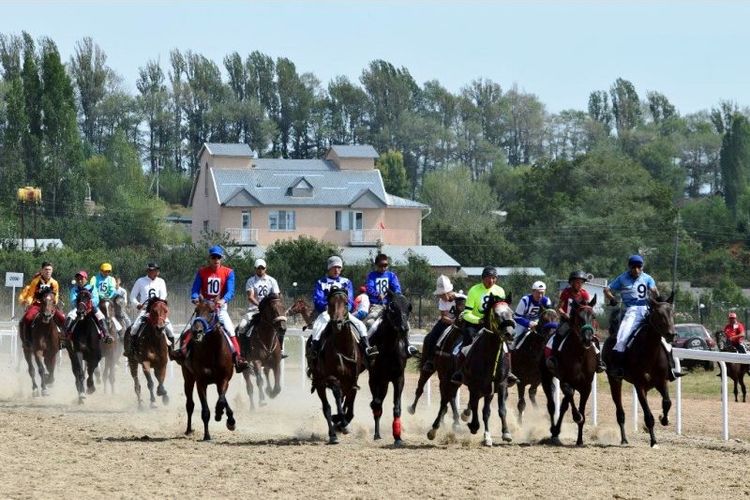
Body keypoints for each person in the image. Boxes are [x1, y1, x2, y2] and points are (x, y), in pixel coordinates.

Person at [604, 254, 682, 380]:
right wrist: (612, 298)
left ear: (642, 267)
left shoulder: (648, 278)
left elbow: (654, 291)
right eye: (633, 267)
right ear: (629, 267)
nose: (636, 270)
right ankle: (618, 367)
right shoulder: (622, 278)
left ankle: (670, 369)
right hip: (631, 312)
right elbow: (606, 289)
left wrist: (659, 299)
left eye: (639, 267)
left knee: (663, 337)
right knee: (622, 338)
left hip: (647, 310)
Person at [173, 245, 248, 373]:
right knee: (194, 328)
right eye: (213, 257)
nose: (216, 259)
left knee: (230, 330)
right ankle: (183, 350)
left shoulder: (229, 272)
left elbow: (230, 291)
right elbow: (195, 289)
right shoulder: (202, 272)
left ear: (221, 258)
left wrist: (223, 300)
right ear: (209, 258)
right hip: (205, 309)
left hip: (220, 308)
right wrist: (195, 298)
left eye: (218, 257)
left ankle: (238, 358)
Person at [452, 266, 517, 384]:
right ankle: (460, 371)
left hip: (494, 325)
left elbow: (502, 311)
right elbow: (466, 313)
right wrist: (479, 320)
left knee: (507, 343)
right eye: (488, 278)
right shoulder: (474, 290)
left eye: (493, 278)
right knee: (468, 340)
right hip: (475, 323)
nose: (491, 281)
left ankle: (508, 373)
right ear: (483, 278)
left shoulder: (500, 291)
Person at [308, 255, 376, 362]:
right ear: (329, 268)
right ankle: (315, 351)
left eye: (339, 267)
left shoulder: (346, 282)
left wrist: (345, 309)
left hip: (343, 313)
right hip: (327, 312)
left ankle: (367, 349)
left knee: (361, 325)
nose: (337, 270)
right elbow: (318, 299)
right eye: (334, 267)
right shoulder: (321, 282)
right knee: (317, 327)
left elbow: (350, 300)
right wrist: (326, 307)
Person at [545, 270, 602, 372]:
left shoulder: (584, 294)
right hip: (567, 321)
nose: (580, 285)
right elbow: (559, 308)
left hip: (580, 322)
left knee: (593, 338)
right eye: (577, 282)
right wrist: (565, 315)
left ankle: (599, 362)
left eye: (581, 283)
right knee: (558, 335)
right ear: (572, 283)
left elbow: (586, 309)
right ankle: (553, 358)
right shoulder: (566, 292)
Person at [364, 253, 418, 356]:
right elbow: (369, 288)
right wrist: (377, 294)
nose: (383, 268)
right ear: (376, 265)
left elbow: (397, 289)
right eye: (381, 265)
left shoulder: (391, 275)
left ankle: (408, 345)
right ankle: (367, 346)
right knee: (371, 323)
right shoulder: (371, 276)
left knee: (405, 323)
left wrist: (394, 295)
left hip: (391, 306)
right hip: (377, 306)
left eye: (385, 265)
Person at [238, 258, 286, 358]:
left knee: (281, 324)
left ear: (265, 268)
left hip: (270, 311)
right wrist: (260, 305)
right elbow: (250, 297)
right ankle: (243, 352)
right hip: (254, 310)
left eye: (262, 268)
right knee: (242, 326)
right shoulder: (251, 281)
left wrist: (270, 307)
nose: (260, 270)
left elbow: (276, 296)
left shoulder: (272, 281)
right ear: (255, 269)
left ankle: (280, 350)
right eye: (258, 268)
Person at [125, 262, 175, 358]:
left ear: (157, 271)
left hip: (158, 311)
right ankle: (132, 350)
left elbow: (163, 295)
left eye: (155, 270)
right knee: (134, 328)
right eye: (151, 270)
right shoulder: (140, 281)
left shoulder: (161, 281)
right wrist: (137, 304)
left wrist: (158, 305)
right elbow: (132, 296)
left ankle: (171, 353)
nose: (153, 272)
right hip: (145, 310)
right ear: (147, 271)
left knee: (170, 330)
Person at [421, 275, 465, 373]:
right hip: (447, 322)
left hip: (461, 324)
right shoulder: (442, 301)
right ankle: (430, 360)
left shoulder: (462, 298)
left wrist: (459, 322)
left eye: (442, 294)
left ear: (448, 292)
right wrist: (453, 322)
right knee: (432, 336)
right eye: (440, 294)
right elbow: (444, 317)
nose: (440, 296)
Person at [18, 261, 66, 347]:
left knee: (62, 318)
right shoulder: (35, 281)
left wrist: (54, 303)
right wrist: (28, 303)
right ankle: (27, 339)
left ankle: (63, 339)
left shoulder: (54, 283)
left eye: (50, 270)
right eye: (46, 269)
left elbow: (56, 295)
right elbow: (31, 294)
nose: (48, 271)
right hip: (37, 305)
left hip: (50, 305)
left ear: (52, 271)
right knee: (27, 318)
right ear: (42, 270)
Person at [64, 270, 113, 343]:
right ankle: (66, 334)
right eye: (78, 279)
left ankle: (106, 334)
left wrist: (89, 304)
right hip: (78, 307)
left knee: (100, 315)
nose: (79, 280)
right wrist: (80, 305)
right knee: (71, 315)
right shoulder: (74, 289)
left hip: (91, 307)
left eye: (81, 278)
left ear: (86, 279)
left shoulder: (92, 287)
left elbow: (96, 299)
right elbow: (73, 300)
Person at [512, 281, 553, 349]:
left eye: (542, 293)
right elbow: (516, 317)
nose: (540, 295)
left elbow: (549, 316)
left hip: (537, 321)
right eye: (538, 293)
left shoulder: (547, 301)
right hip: (522, 322)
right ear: (533, 292)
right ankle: (509, 352)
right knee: (514, 336)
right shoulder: (525, 300)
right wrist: (528, 323)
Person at [89, 263, 122, 335]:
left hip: (108, 299)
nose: (107, 273)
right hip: (97, 300)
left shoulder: (111, 279)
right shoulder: (94, 278)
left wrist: (109, 296)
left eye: (108, 271)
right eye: (105, 271)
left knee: (111, 314)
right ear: (101, 271)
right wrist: (99, 295)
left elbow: (112, 289)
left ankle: (120, 332)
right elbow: (93, 288)